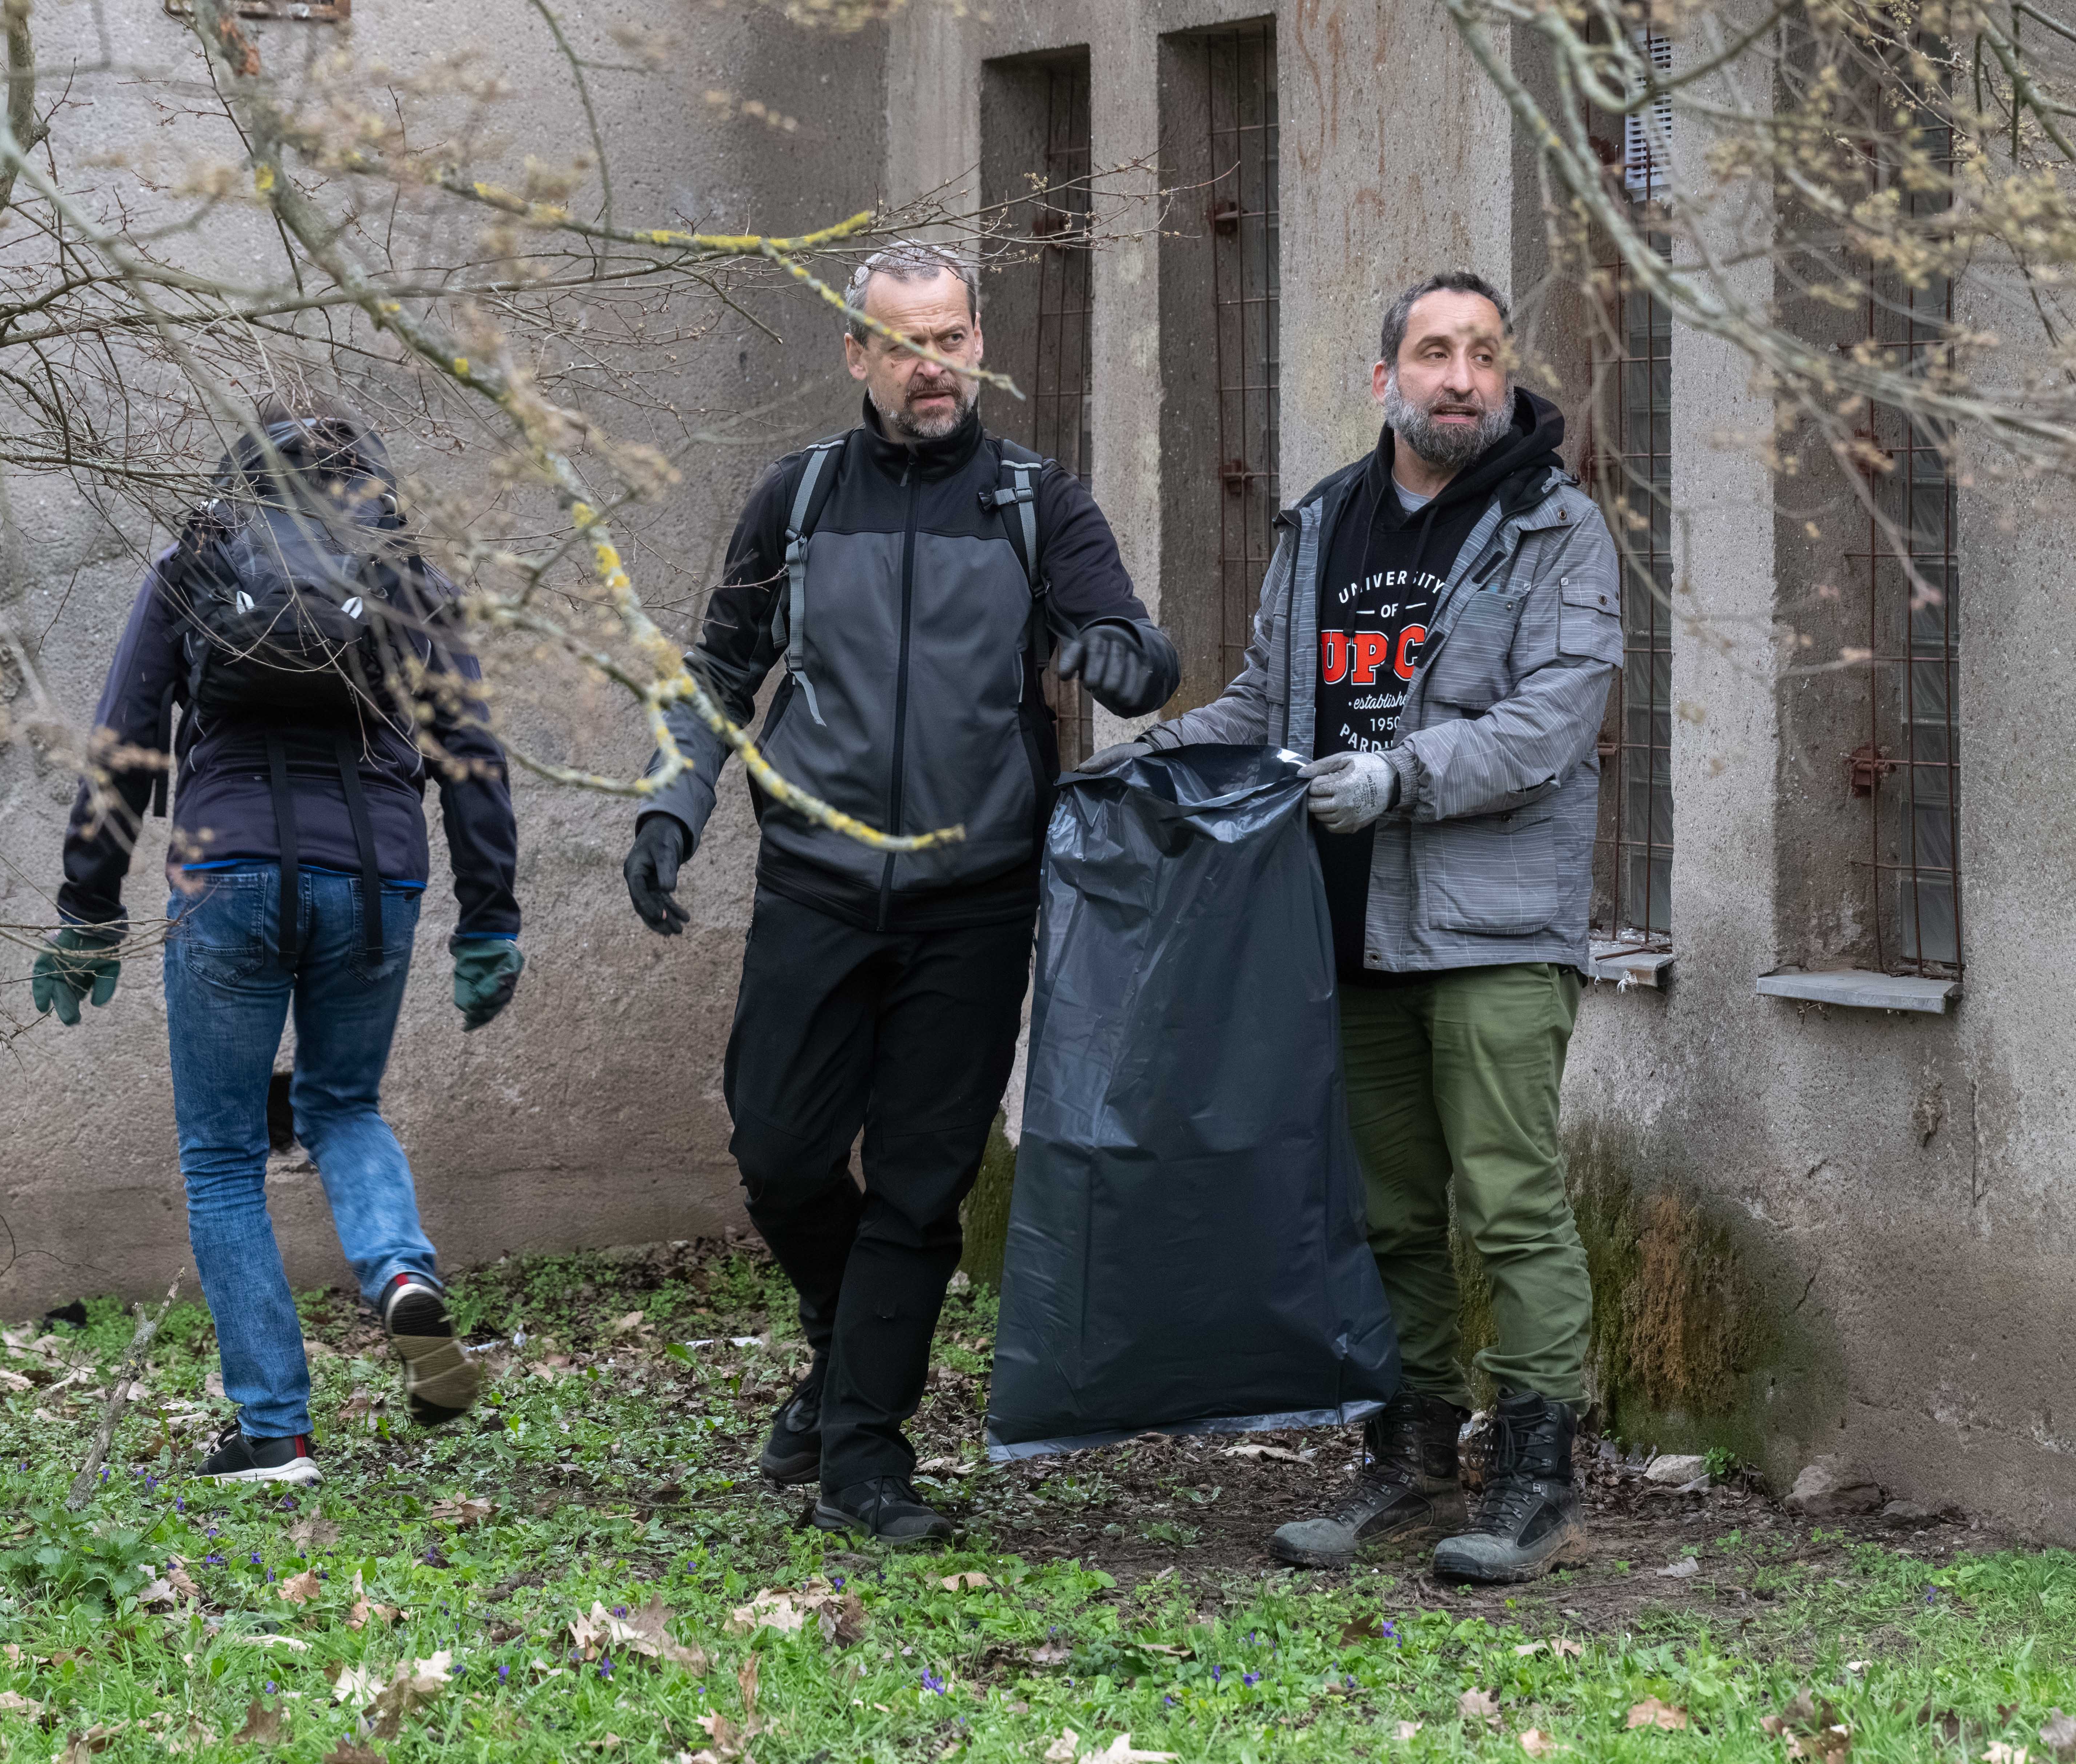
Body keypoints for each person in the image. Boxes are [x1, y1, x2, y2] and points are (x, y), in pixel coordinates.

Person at [622, 244, 1180, 1545]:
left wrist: (1116, 656)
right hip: (815, 886)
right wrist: (669, 807)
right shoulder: (800, 498)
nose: (935, 368)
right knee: (778, 1154)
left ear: (977, 342)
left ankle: (864, 1455)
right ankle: (842, 1347)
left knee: (923, 1184)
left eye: (952, 338)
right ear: (858, 353)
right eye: (906, 344)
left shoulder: (1035, 501)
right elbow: (719, 671)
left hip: (973, 900)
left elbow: (1139, 650)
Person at [1088, 271, 1621, 1582]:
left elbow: (1553, 722)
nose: (1462, 378)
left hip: (1493, 932)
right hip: (1347, 926)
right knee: (1386, 1215)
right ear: (1385, 379)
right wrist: (1146, 762)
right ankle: (1410, 1457)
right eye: (1435, 353)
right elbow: (1268, 707)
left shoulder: (1555, 529)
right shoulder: (1323, 521)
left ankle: (1536, 1482)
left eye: (1483, 355)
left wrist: (1399, 777)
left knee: (1508, 1204)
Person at [38, 394, 523, 1487]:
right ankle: (401, 1277)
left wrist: (88, 905)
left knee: (222, 1156)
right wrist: (490, 917)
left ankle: (275, 1434)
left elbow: (126, 741)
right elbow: (473, 755)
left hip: (229, 872)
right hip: (378, 876)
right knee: (342, 1105)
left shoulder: (197, 562)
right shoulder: (408, 576)